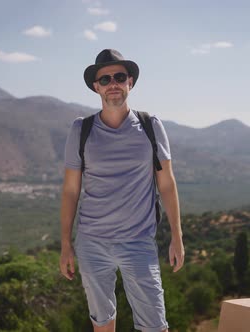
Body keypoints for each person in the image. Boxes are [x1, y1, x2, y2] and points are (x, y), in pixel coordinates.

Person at [59, 49, 184, 332]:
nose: (112, 83)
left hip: (138, 241)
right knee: (102, 325)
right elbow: (70, 191)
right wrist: (66, 244)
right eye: (105, 79)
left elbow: (166, 184)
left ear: (130, 82)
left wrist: (177, 236)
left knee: (155, 326)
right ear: (96, 86)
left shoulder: (151, 126)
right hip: (92, 243)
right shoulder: (81, 130)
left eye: (119, 76)